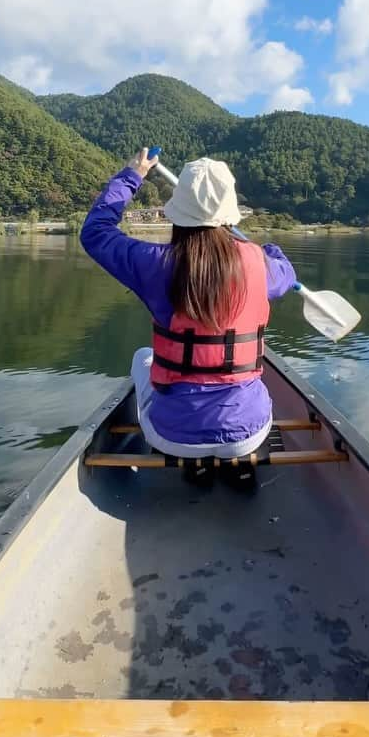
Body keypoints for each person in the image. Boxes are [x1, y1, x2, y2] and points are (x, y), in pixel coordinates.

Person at [80, 149, 296, 486]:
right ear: (230, 216)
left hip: (172, 435)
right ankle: (237, 463)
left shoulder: (153, 262)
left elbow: (95, 233)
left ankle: (195, 464)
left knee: (143, 358)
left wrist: (133, 174)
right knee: (252, 387)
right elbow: (285, 270)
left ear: (177, 215)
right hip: (248, 433)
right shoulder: (261, 265)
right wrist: (269, 251)